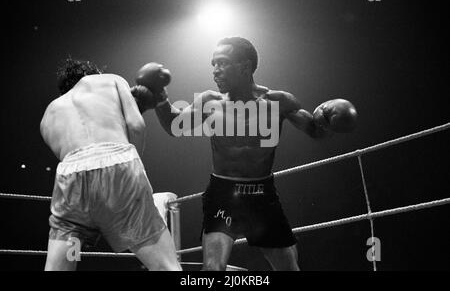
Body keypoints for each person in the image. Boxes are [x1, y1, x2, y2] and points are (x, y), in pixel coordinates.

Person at [137, 37, 357, 271]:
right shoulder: (210, 102)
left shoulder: (278, 101)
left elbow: (315, 131)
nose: (215, 71)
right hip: (223, 194)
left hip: (262, 195)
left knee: (289, 269)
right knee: (212, 270)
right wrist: (160, 97)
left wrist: (330, 120)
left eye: (222, 63)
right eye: (213, 64)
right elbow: (174, 125)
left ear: (245, 66)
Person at [40, 58, 181, 271]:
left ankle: (74, 250)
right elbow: (136, 125)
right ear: (94, 74)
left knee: (66, 258)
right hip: (120, 172)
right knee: (165, 267)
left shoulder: (48, 115)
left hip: (71, 187)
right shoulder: (109, 80)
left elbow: (77, 162)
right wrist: (135, 177)